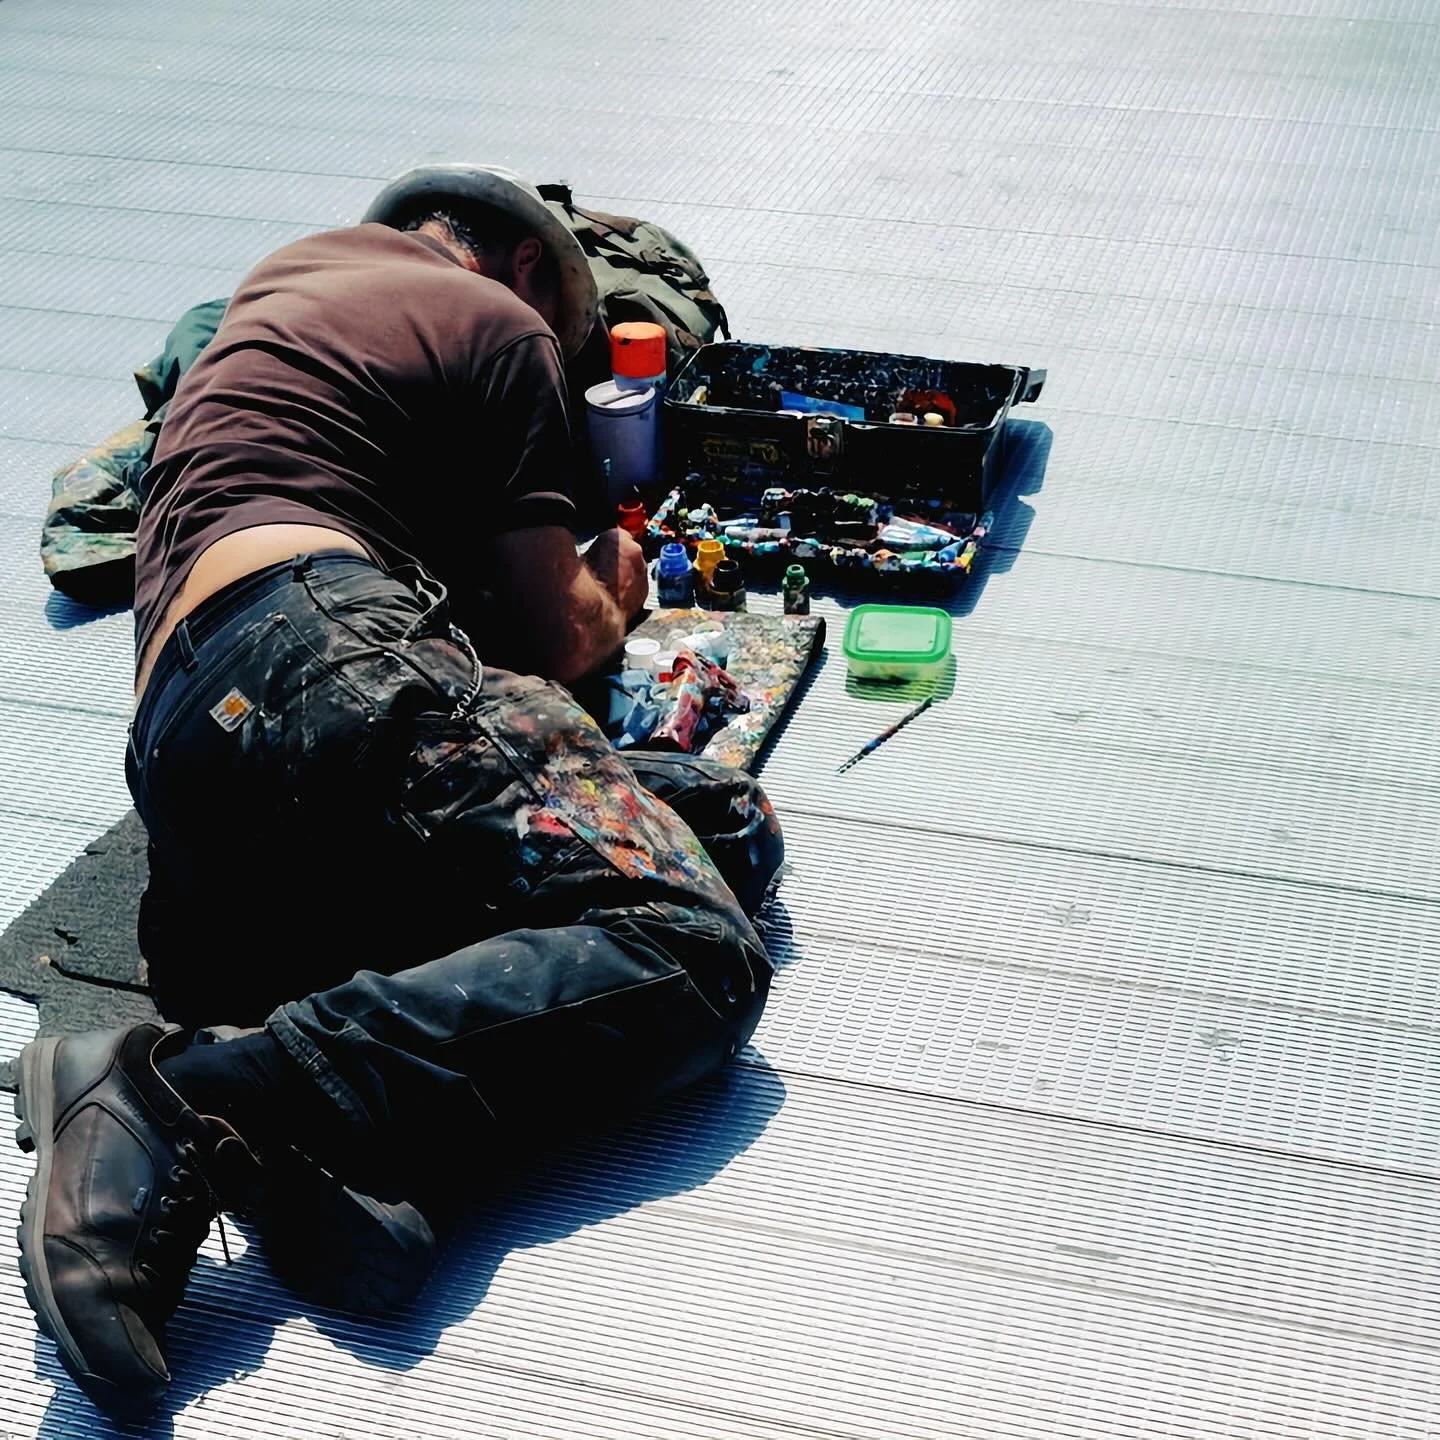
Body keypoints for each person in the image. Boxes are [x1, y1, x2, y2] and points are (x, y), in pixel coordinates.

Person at [12, 165, 781, 1420]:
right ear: (533, 271)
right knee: (691, 942)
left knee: (711, 820)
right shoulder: (501, 323)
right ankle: (180, 1095)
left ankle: (300, 1116)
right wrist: (620, 584)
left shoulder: (284, 292)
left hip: (196, 754)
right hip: (333, 648)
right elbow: (561, 634)